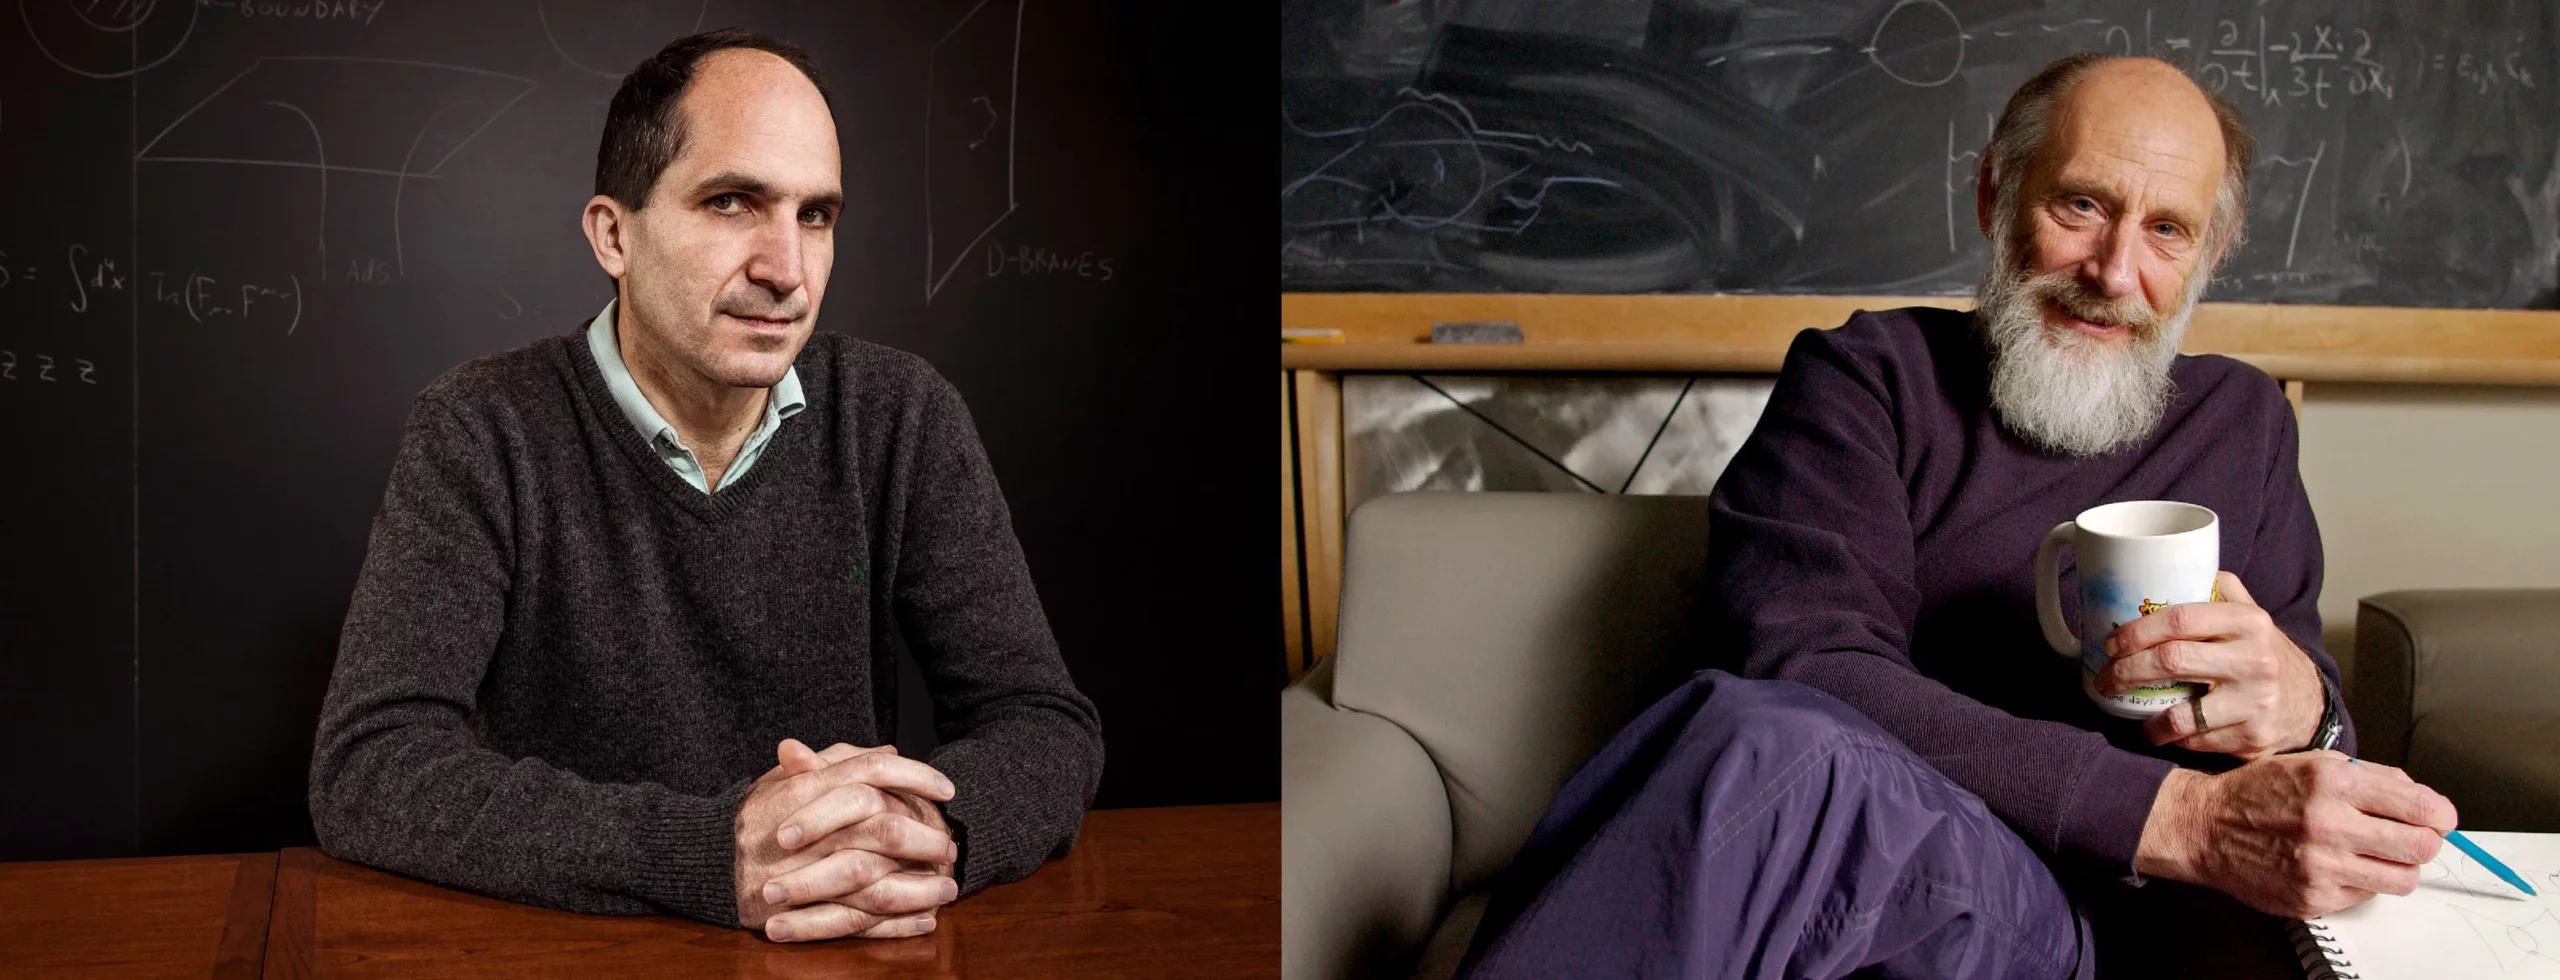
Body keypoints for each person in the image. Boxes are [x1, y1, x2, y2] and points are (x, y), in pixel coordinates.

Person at [1458, 54, 2461, 979]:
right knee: (1758, 735)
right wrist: (2177, 816)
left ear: (2211, 253)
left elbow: (2304, 724)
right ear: (1996, 194)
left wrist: (2304, 703)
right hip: (1913, 882)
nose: (2114, 272)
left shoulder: (2242, 421)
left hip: (2123, 933)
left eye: (2167, 229)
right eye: (2080, 204)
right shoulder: (1866, 379)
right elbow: (1803, 662)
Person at [307, 29, 1103, 944]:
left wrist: (926, 835)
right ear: (614, 234)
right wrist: (709, 852)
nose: (786, 271)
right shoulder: (483, 428)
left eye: (815, 215)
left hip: (842, 948)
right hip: (579, 955)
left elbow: (1043, 722)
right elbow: (369, 769)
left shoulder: (901, 418)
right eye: (732, 203)